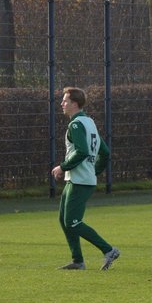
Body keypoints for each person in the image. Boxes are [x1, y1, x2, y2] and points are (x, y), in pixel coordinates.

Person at [51, 86, 119, 271]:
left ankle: (109, 250)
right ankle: (78, 261)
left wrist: (62, 167)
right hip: (79, 179)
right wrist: (94, 171)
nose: (62, 104)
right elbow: (105, 152)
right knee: (64, 220)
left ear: (74, 103)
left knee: (73, 222)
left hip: (79, 180)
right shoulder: (89, 122)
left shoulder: (75, 124)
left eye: (65, 101)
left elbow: (82, 151)